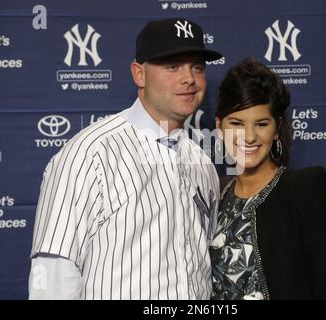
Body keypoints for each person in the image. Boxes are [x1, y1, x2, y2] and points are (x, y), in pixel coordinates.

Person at [28, 18, 222, 300]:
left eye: (197, 67)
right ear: (139, 74)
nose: (188, 79)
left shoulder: (202, 163)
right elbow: (54, 273)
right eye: (172, 66)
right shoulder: (90, 153)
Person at [210, 58, 326, 300]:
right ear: (219, 126)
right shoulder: (216, 193)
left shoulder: (303, 190)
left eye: (261, 124)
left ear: (277, 128)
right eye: (237, 123)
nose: (249, 136)